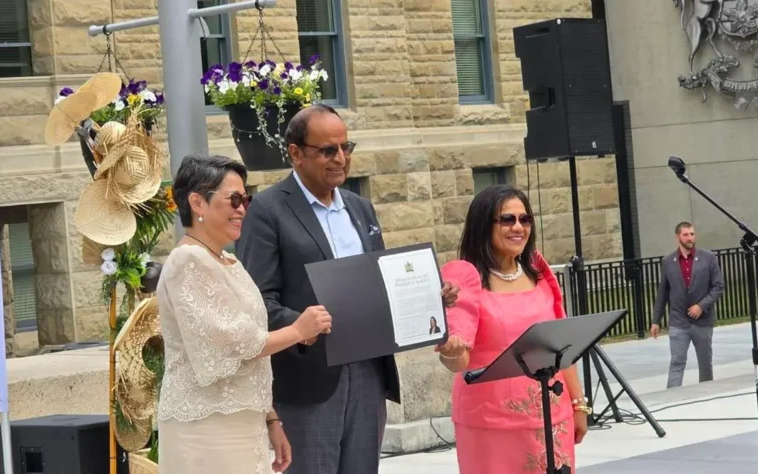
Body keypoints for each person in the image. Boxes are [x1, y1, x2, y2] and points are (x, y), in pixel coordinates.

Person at [237, 104, 458, 474]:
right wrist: (303, 326)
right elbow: (257, 302)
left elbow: (385, 284)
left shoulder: (361, 208)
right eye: (328, 150)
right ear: (295, 153)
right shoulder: (267, 210)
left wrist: (428, 295)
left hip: (369, 374)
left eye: (346, 147)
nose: (341, 158)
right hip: (309, 383)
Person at [157, 154, 335, 474]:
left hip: (243, 423)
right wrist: (298, 329)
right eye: (234, 199)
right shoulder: (187, 262)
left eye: (246, 199)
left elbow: (252, 355)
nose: (242, 209)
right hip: (207, 426)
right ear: (198, 203)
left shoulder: (230, 263)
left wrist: (271, 419)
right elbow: (233, 343)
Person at [435, 185, 588, 474]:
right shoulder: (466, 279)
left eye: (525, 219)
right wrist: (448, 350)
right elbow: (459, 362)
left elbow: (561, 347)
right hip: (491, 423)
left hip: (552, 415)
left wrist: (578, 404)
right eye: (507, 219)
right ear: (484, 225)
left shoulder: (540, 273)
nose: (518, 227)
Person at [650, 221, 725, 389]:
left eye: (692, 234)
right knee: (677, 362)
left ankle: (707, 394)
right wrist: (656, 320)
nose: (690, 238)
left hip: (702, 321)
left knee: (705, 363)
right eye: (686, 234)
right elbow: (663, 292)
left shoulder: (708, 258)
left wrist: (701, 306)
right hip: (678, 321)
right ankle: (672, 398)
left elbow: (718, 286)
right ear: (677, 237)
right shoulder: (668, 261)